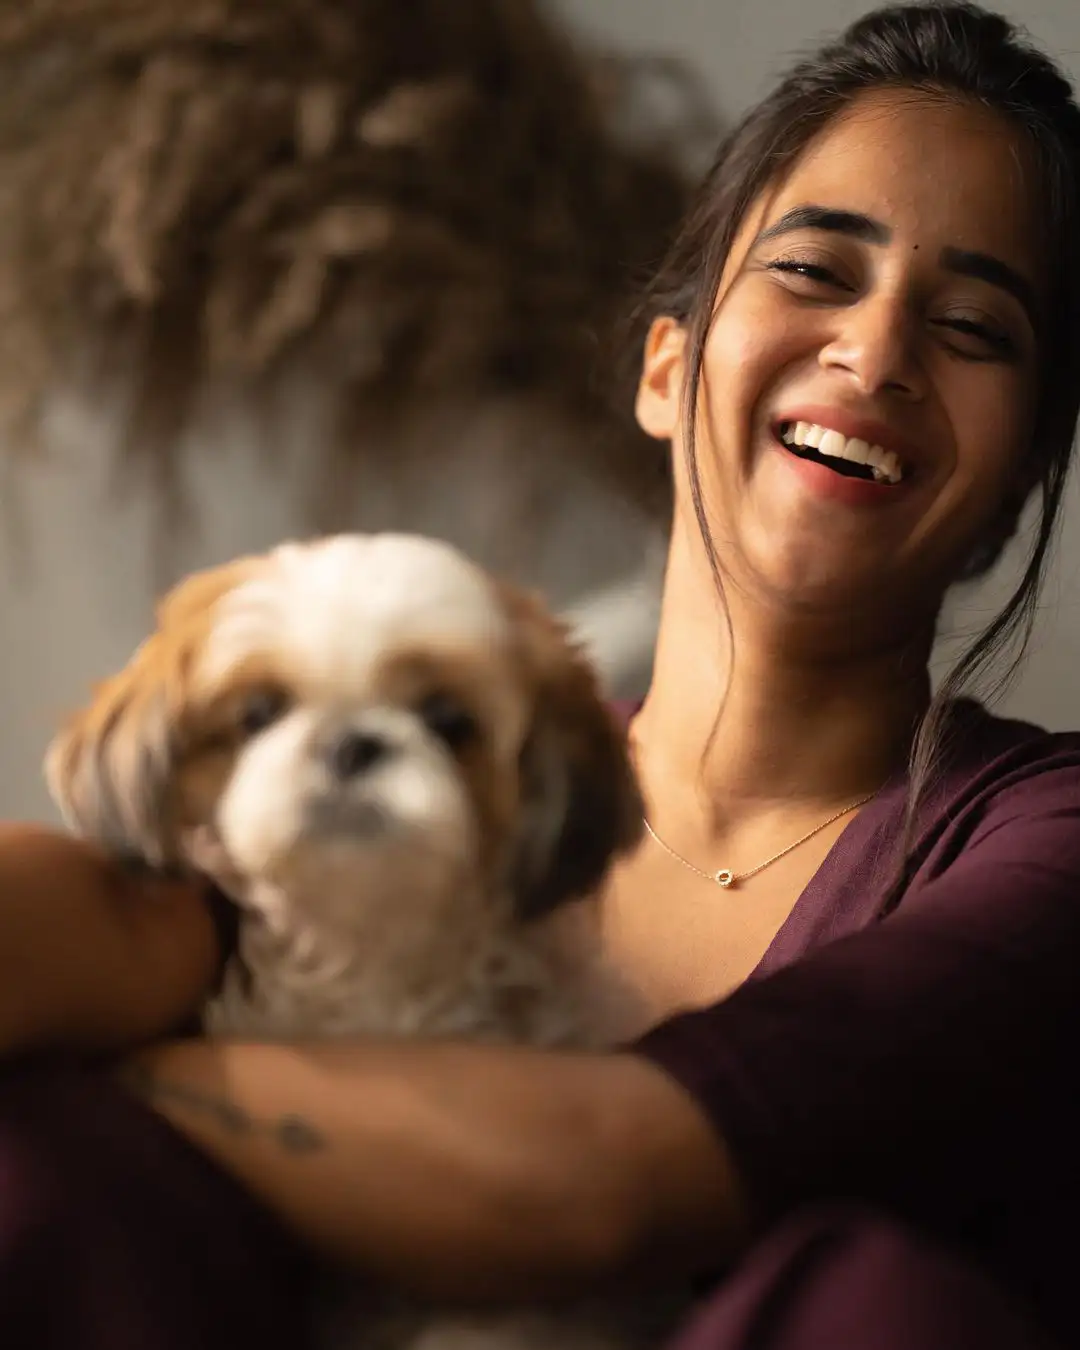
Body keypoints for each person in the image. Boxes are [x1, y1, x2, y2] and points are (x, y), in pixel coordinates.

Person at [2, 3, 1080, 1346]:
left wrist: (116, 1067)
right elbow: (113, 913)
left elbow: (600, 1187)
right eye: (814, 270)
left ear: (1023, 479)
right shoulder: (462, 754)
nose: (874, 353)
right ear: (665, 368)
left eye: (975, 327)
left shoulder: (1045, 839)